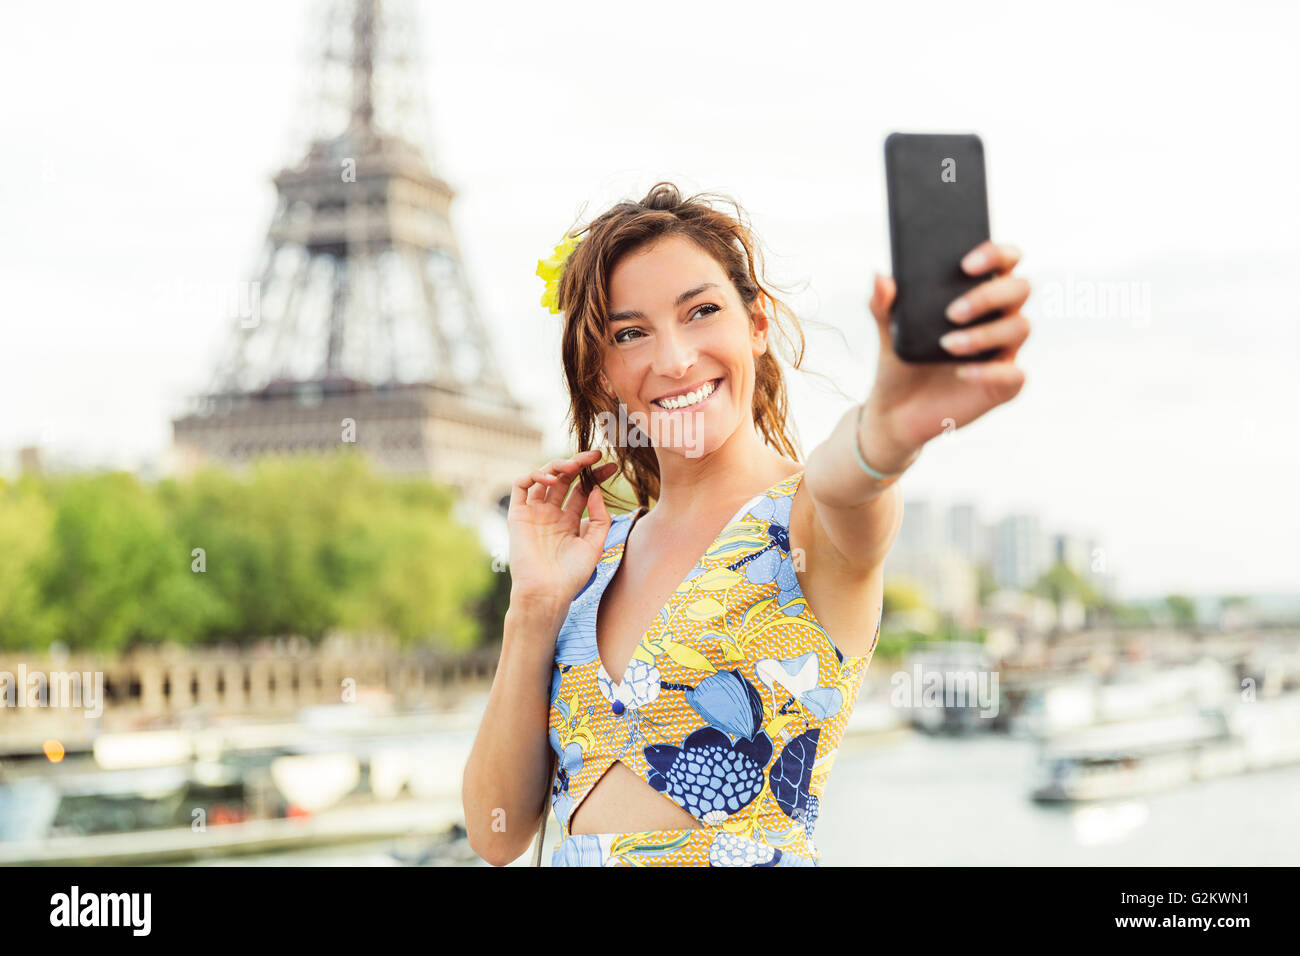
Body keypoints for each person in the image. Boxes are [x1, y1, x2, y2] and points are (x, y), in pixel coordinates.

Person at [462, 181, 1030, 866]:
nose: (673, 359)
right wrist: (534, 606)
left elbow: (852, 483)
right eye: (630, 333)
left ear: (757, 325)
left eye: (700, 311)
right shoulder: (595, 556)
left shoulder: (807, 518)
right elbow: (497, 838)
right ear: (605, 371)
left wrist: (887, 434)